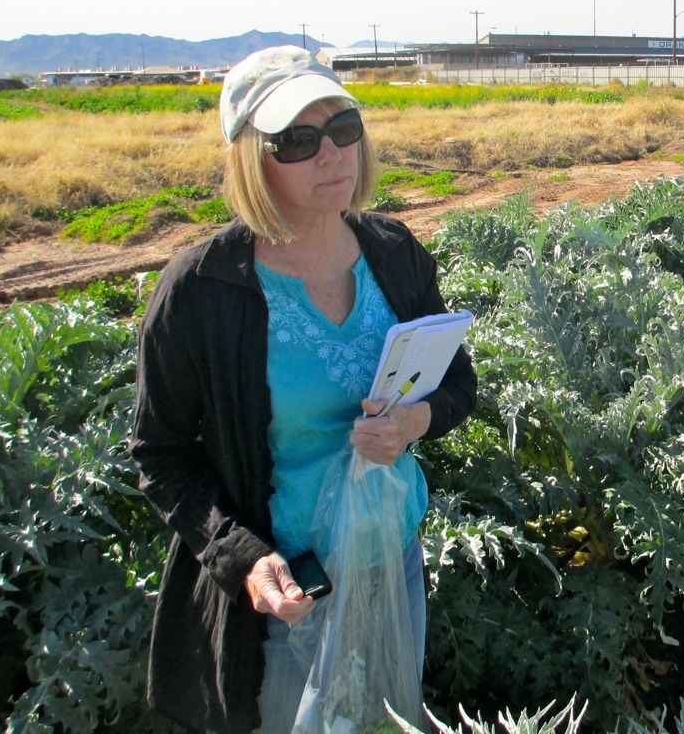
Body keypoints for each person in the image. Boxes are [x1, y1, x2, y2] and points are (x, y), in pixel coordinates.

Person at [131, 46, 476, 734]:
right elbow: (159, 453)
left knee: (387, 722)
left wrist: (415, 423)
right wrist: (241, 559)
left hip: (393, 558)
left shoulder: (394, 253)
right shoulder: (201, 290)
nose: (332, 154)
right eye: (298, 140)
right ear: (252, 158)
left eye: (343, 128)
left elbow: (457, 385)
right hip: (290, 591)